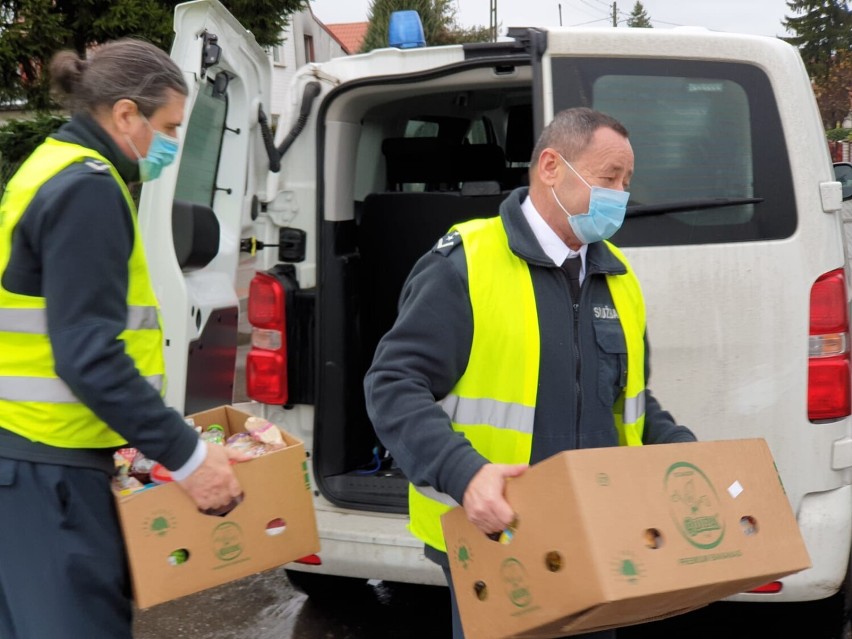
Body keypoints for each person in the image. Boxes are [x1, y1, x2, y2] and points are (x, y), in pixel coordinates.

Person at [364, 107, 697, 639]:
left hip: (597, 529)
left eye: (627, 184)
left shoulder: (619, 277)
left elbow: (630, 398)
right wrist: (464, 473)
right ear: (550, 166)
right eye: (608, 179)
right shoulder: (467, 262)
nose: (620, 196)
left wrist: (681, 448)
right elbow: (393, 385)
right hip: (498, 535)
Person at [0, 39, 247, 638]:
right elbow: (88, 353)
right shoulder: (88, 187)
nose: (171, 143)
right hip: (50, 471)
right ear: (126, 115)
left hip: (26, 458)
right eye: (169, 126)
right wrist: (186, 456)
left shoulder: (49, 167)